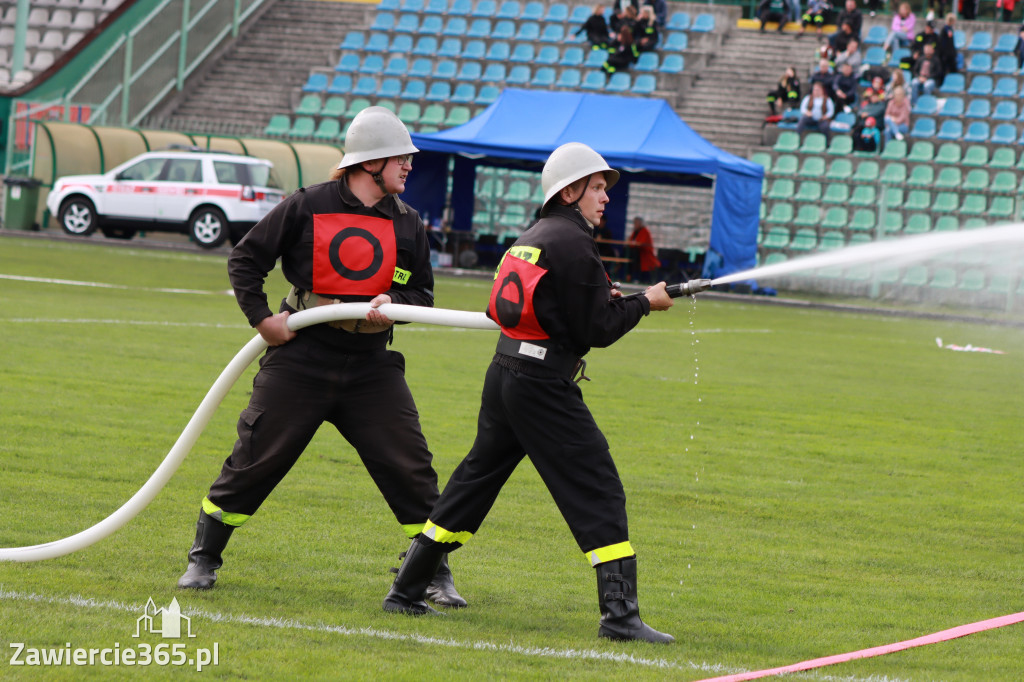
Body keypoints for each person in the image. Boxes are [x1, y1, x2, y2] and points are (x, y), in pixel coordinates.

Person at [379, 142, 676, 644]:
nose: (605, 198)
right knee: (597, 486)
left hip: (506, 373)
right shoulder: (574, 242)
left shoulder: (532, 237)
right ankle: (620, 617)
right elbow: (598, 329)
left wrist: (611, 303)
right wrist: (645, 303)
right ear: (570, 190)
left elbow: (506, 312)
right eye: (598, 188)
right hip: (541, 385)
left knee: (471, 485)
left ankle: (406, 590)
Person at [175, 106, 466, 610]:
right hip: (301, 356)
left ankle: (433, 571)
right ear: (370, 162)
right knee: (256, 458)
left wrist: (393, 308)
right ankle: (204, 557)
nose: (410, 167)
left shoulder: (409, 223)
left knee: (411, 467)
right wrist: (262, 318)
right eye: (403, 158)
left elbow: (421, 294)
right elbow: (246, 258)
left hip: (372, 364)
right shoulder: (307, 205)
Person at [628, 216, 660, 282]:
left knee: (635, 258)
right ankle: (631, 277)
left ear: (640, 224)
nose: (635, 225)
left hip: (645, 255)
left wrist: (634, 243)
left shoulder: (645, 231)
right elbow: (630, 242)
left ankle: (636, 278)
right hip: (637, 253)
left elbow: (641, 243)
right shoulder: (635, 232)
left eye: (636, 223)